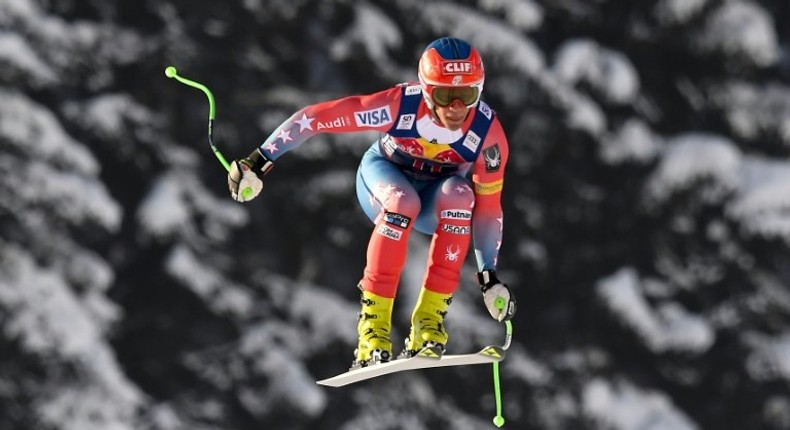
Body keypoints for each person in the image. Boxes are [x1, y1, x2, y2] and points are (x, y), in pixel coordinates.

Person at [228, 36, 516, 368]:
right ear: (426, 90)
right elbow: (317, 118)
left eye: (466, 96)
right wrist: (258, 161)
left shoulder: (488, 136)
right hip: (384, 180)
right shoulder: (400, 106)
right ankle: (373, 330)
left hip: (434, 198)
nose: (455, 108)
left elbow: (489, 208)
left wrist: (488, 277)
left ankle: (428, 324)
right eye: (444, 95)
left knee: (461, 196)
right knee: (401, 203)